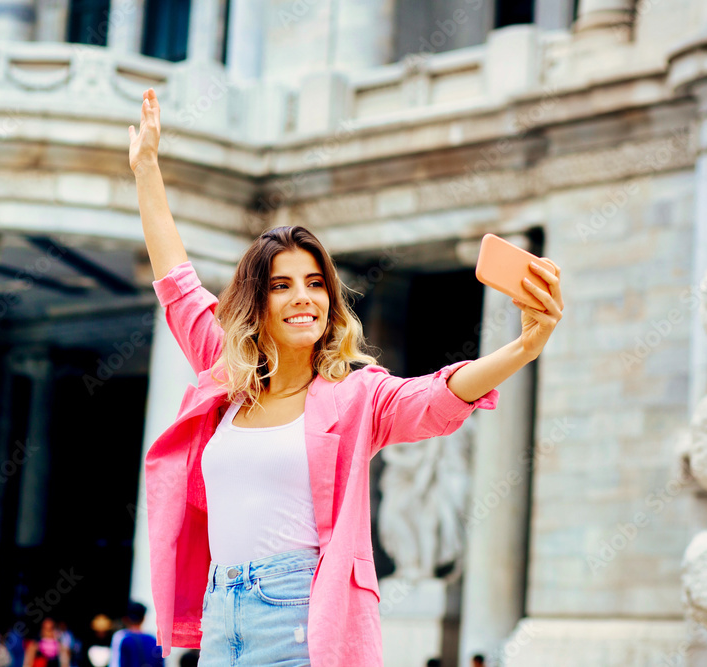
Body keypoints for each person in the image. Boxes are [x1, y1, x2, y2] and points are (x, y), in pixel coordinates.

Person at [127, 87, 564, 667]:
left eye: (314, 283)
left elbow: (433, 397)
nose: (302, 297)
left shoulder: (355, 394)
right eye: (281, 285)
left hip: (299, 619)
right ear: (257, 302)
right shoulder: (226, 378)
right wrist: (147, 169)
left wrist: (525, 346)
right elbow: (177, 285)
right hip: (221, 615)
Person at [107, 603, 162, 667]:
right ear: (143, 618)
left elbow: (115, 663)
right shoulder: (153, 639)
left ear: (126, 619)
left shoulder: (121, 636)